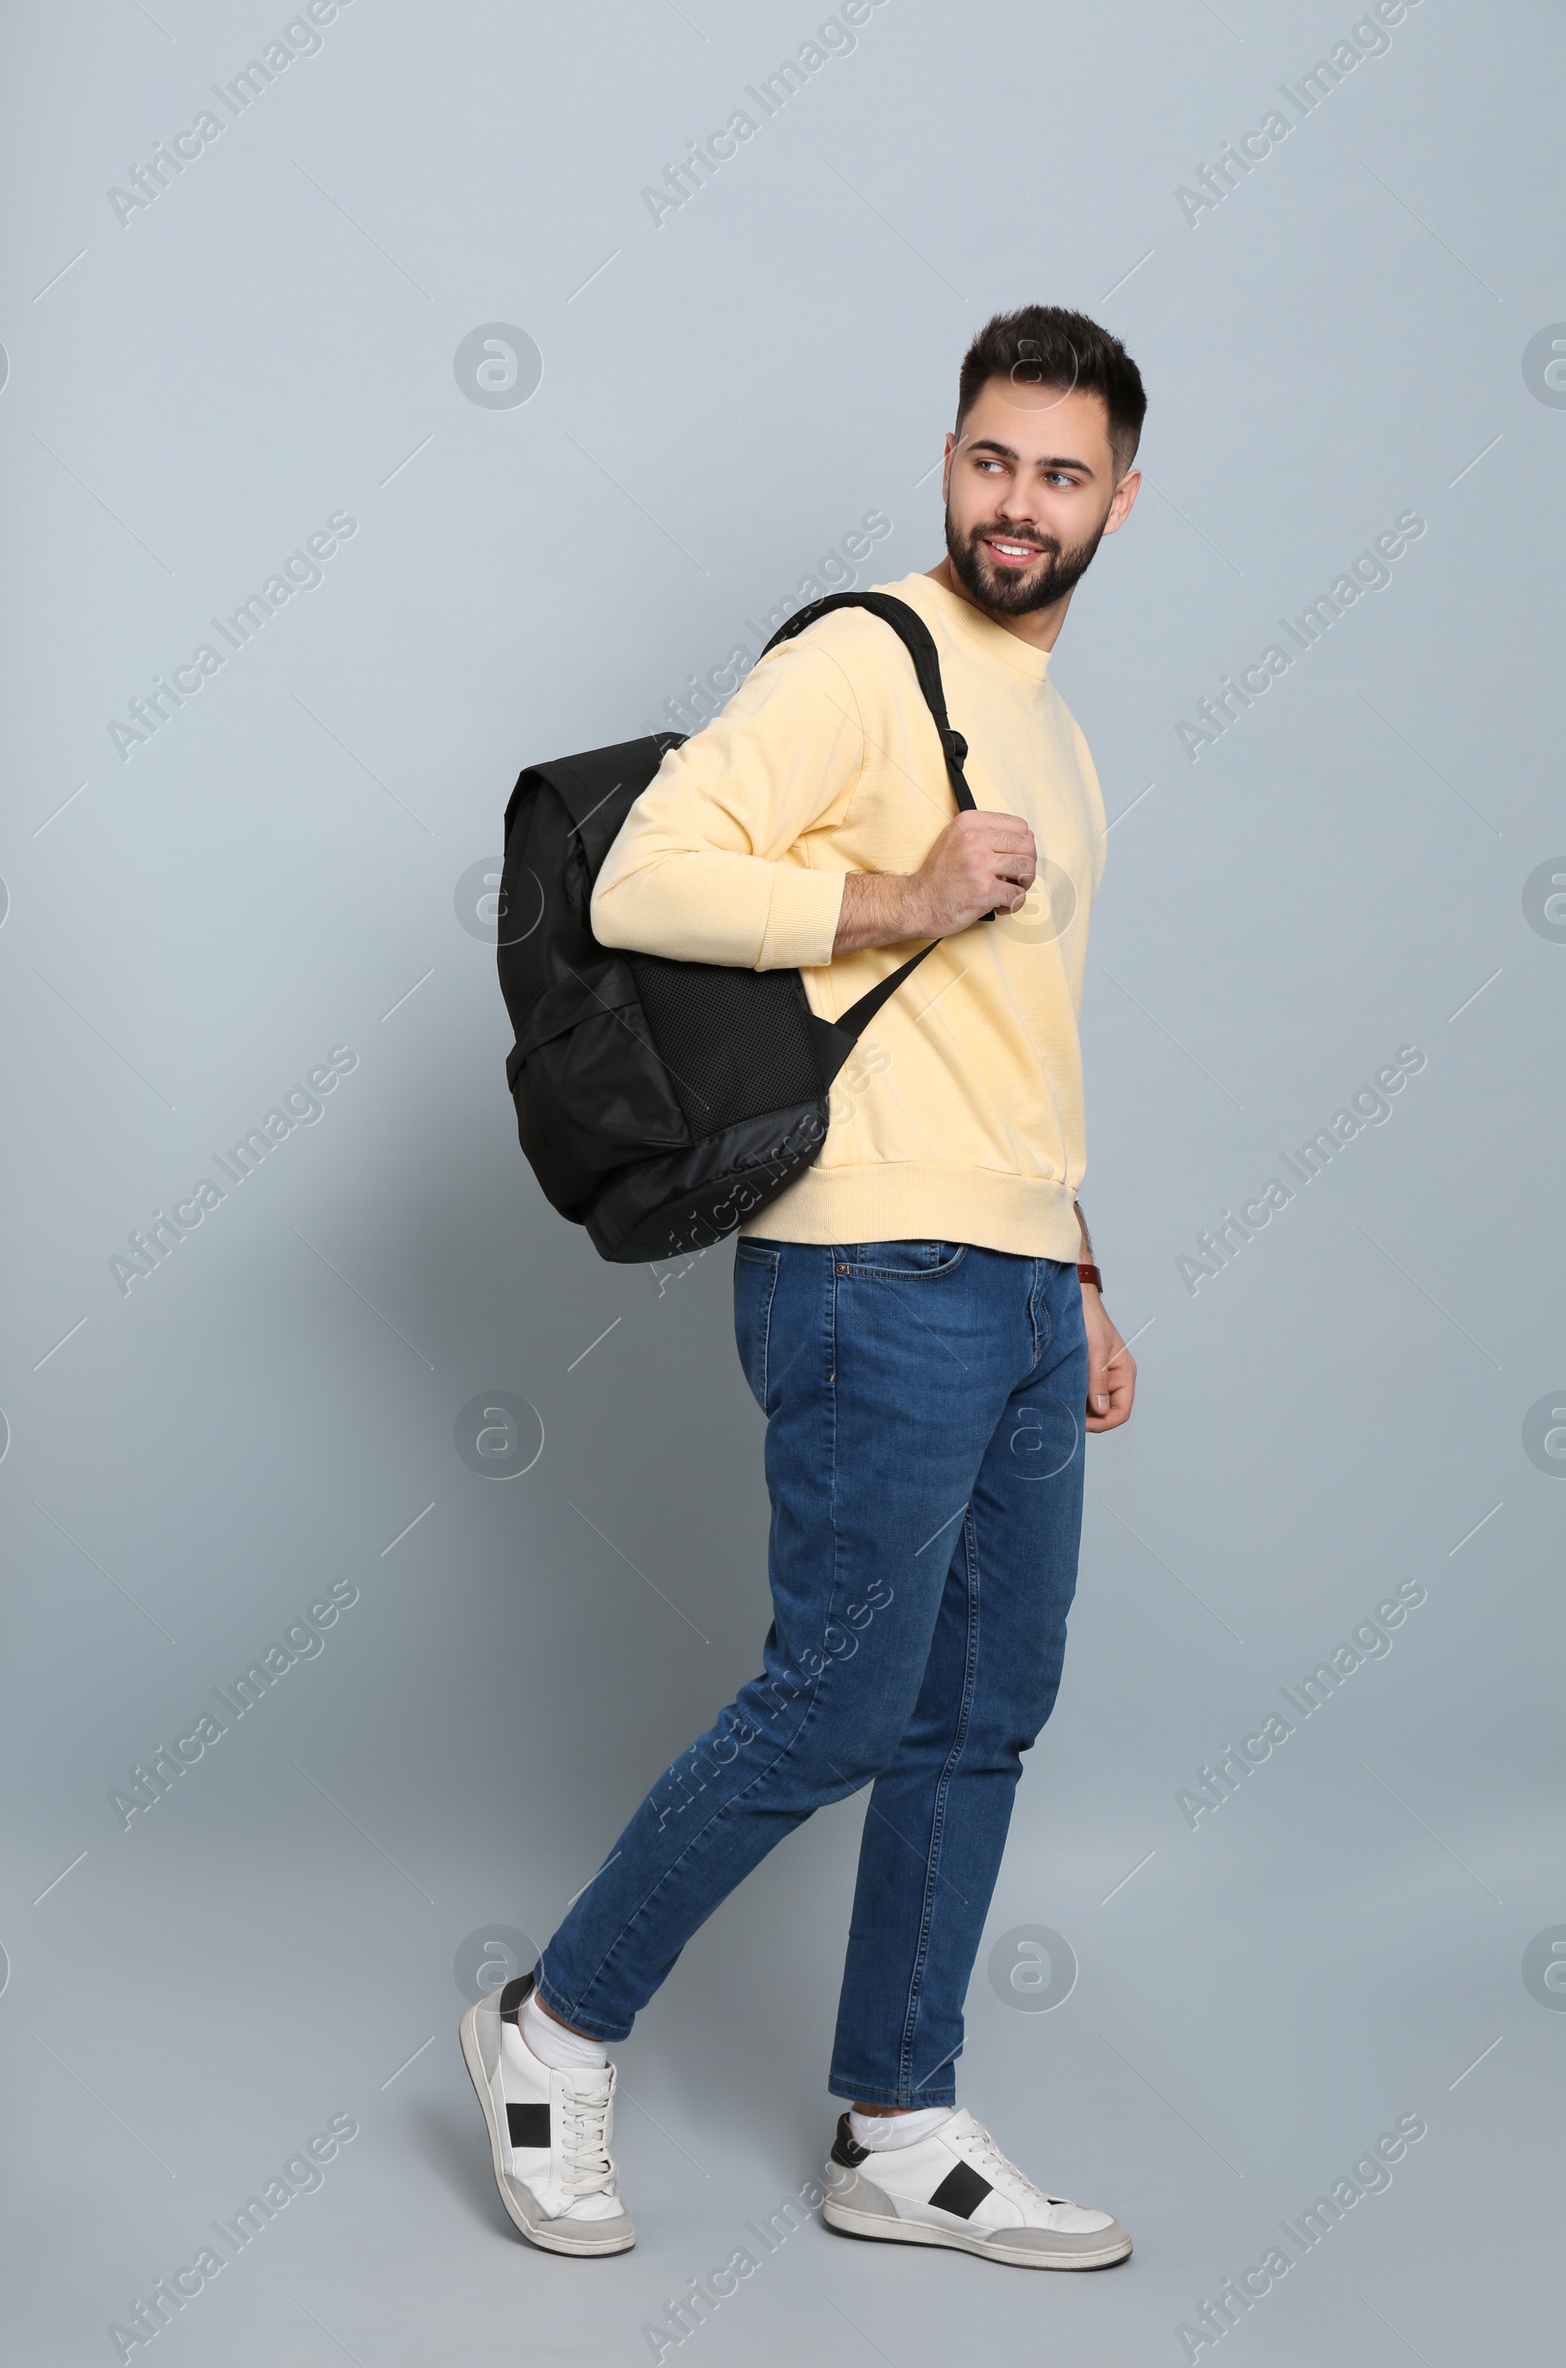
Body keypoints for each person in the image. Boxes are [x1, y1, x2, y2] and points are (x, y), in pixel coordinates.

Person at [461, 303, 1145, 2269]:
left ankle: (897, 2122)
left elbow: (1023, 1034)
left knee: (979, 1709)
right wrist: (903, 892)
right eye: (988, 459)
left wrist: (1076, 1267)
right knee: (835, 1705)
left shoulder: (1059, 732)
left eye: (1057, 472)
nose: (1015, 503)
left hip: (1010, 1278)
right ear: (950, 457)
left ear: (1117, 496)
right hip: (870, 1268)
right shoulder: (871, 652)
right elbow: (640, 881)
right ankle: (549, 2029)